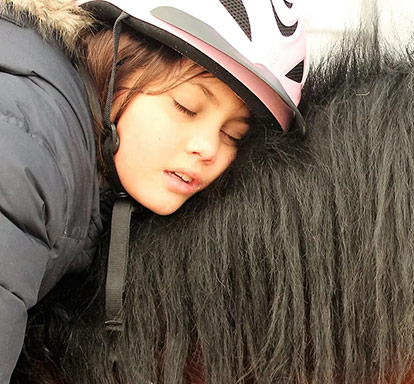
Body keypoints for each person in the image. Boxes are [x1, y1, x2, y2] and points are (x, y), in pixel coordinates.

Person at [0, 0, 307, 381]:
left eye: (232, 134)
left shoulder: (86, 163)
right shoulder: (26, 144)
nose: (209, 148)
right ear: (114, 61)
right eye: (186, 107)